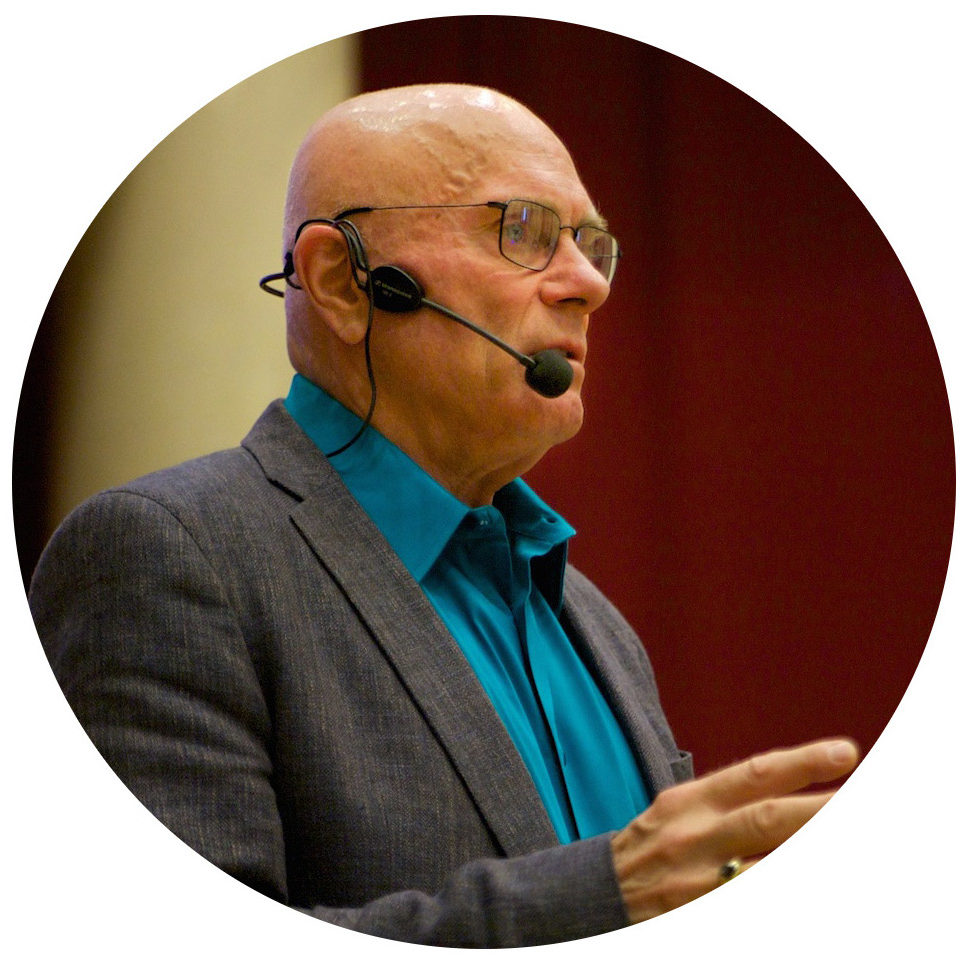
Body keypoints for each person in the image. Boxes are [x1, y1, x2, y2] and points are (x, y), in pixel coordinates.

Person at [28, 84, 858, 947]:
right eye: (523, 229)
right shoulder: (166, 554)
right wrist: (604, 898)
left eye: (591, 245)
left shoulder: (595, 623)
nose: (586, 285)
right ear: (343, 281)